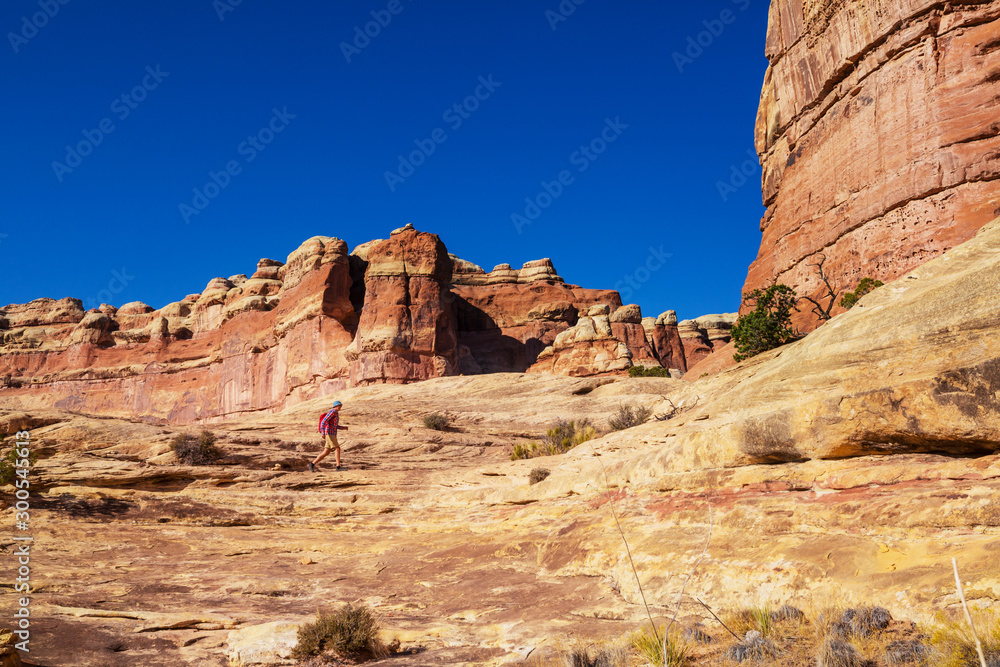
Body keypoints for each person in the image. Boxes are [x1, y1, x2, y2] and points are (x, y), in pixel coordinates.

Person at [309, 400, 348, 472]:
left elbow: (334, 426)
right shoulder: (332, 412)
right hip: (329, 433)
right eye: (339, 406)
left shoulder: (335, 413)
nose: (340, 407)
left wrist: (343, 428)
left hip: (331, 433)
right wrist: (322, 432)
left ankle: (312, 464)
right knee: (337, 448)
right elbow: (324, 421)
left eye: (340, 406)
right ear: (335, 406)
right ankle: (338, 467)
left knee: (326, 452)